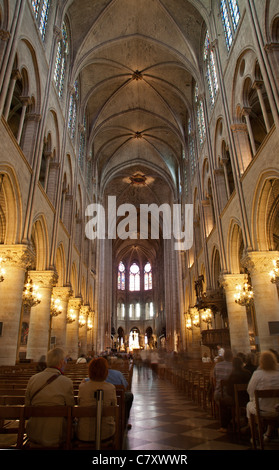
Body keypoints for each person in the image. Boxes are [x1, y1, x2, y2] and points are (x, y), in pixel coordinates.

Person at [25, 347, 75, 447]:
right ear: (61, 363)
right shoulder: (67, 382)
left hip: (34, 433)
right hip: (58, 435)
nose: (65, 363)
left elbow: (27, 406)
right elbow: (71, 410)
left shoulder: (33, 379)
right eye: (65, 361)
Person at [76, 357, 117, 442]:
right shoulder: (111, 388)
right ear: (106, 372)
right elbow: (114, 409)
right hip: (106, 432)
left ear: (90, 371)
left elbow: (79, 404)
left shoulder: (82, 387)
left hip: (84, 433)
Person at [246, 350, 279, 441]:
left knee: (248, 405)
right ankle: (268, 433)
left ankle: (255, 436)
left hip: (262, 410)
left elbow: (250, 390)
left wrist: (253, 399)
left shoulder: (257, 374)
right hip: (277, 409)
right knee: (272, 405)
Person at [218, 356, 251, 432]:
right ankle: (246, 421)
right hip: (247, 399)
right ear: (242, 364)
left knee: (222, 401)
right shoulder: (247, 373)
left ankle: (224, 426)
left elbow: (229, 391)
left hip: (235, 400)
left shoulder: (232, 375)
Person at [104, 357, 134, 428]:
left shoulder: (93, 375)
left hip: (99, 400)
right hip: (116, 399)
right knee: (129, 395)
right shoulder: (118, 374)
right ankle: (124, 421)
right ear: (110, 364)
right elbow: (125, 386)